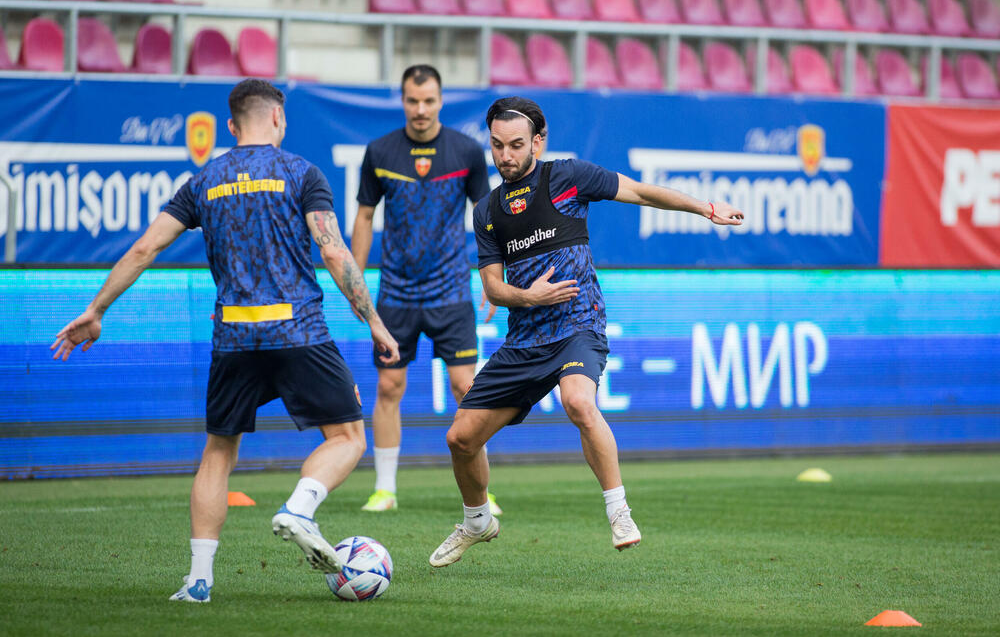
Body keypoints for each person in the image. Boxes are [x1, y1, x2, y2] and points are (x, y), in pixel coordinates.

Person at [51, 79, 399, 603]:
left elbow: (146, 247)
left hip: (234, 335)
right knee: (347, 437)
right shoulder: (302, 173)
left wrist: (96, 310)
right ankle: (299, 508)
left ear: (231, 127)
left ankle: (197, 581)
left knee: (218, 453)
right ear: (278, 119)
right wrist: (372, 320)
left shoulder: (203, 180)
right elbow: (333, 252)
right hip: (297, 330)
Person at [428, 97, 744, 567]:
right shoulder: (488, 210)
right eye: (496, 146)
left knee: (579, 400)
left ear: (539, 141)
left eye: (516, 145)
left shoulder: (568, 178)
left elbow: (640, 192)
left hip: (579, 324)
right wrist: (528, 297)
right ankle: (477, 521)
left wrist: (704, 208)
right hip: (525, 339)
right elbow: (493, 287)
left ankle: (619, 512)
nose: (505, 156)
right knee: (461, 439)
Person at [352, 64, 501, 516]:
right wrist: (353, 281)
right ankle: (384, 489)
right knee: (389, 387)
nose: (421, 109)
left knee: (466, 389)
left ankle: (481, 493)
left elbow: (487, 215)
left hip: (451, 290)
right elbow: (363, 218)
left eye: (429, 100)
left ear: (441, 100)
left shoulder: (467, 151)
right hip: (395, 293)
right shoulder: (379, 151)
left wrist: (493, 279)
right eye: (413, 101)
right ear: (402, 101)